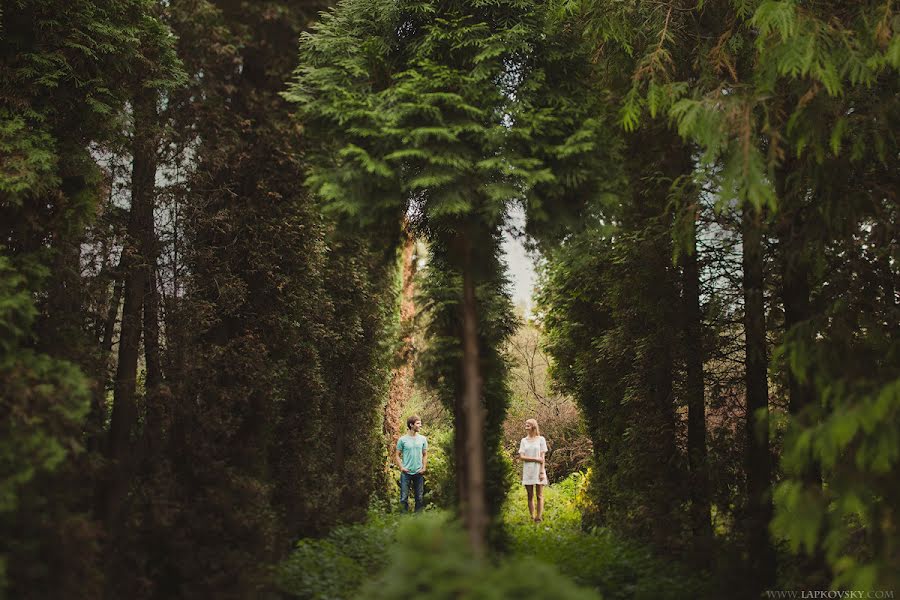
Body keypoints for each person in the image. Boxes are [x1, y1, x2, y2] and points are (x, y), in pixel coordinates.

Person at [395, 414, 428, 513]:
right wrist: (401, 467)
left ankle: (417, 522)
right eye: (418, 423)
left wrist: (424, 467)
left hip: (419, 472)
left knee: (419, 498)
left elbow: (425, 454)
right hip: (406, 473)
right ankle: (404, 521)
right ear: (411, 425)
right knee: (403, 498)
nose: (420, 425)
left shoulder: (423, 439)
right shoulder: (402, 440)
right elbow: (397, 455)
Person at [518, 418, 548, 522]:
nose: (526, 426)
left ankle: (538, 517)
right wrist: (535, 459)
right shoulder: (523, 441)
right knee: (529, 495)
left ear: (534, 427)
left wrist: (541, 471)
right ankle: (532, 517)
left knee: (539, 495)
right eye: (525, 424)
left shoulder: (541, 439)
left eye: (528, 424)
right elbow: (521, 457)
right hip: (528, 471)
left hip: (538, 470)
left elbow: (542, 457)